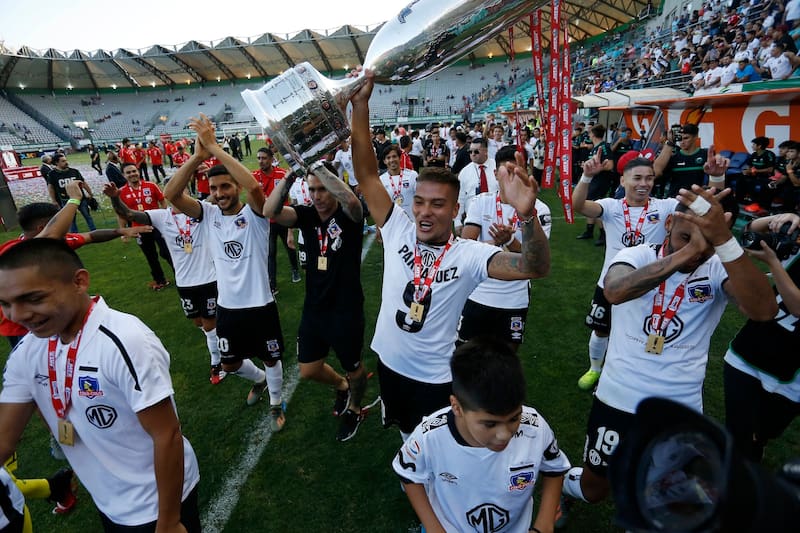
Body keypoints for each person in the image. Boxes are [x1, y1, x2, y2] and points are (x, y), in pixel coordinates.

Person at [349, 69, 550, 439]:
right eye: (420, 202)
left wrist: (526, 215)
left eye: (438, 205)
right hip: (389, 362)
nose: (425, 211)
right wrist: (360, 105)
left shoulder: (470, 255)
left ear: (456, 210)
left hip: (434, 377)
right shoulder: (397, 228)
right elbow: (366, 174)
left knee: (438, 446)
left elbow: (534, 266)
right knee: (405, 437)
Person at [558, 186, 777, 525]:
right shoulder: (637, 255)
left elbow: (763, 310)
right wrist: (683, 254)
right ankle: (566, 487)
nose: (696, 252)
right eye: (686, 237)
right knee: (595, 488)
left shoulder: (719, 267)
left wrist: (725, 244)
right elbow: (614, 291)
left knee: (664, 501)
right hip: (618, 399)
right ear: (671, 222)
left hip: (680, 407)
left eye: (705, 245)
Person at [0, 238, 201, 532]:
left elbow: (167, 434)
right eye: (5, 304)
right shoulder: (29, 350)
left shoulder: (125, 340)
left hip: (154, 501)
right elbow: (4, 440)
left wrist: (169, 521)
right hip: (108, 499)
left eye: (33, 299)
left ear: (79, 282)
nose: (17, 316)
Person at [164, 114, 287, 432]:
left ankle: (276, 403)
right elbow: (172, 195)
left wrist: (216, 149)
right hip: (228, 307)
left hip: (261, 304)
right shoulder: (207, 215)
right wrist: (197, 157)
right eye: (214, 187)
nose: (218, 193)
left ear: (235, 187)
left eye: (225, 186)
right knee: (230, 364)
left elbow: (255, 186)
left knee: (271, 357)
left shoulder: (255, 213)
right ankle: (258, 381)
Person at [392, 338, 570, 533]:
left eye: (514, 418)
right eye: (490, 424)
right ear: (457, 407)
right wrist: (434, 527)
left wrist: (543, 525)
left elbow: (554, 468)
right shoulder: (429, 436)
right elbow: (409, 475)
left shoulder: (535, 428)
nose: (504, 435)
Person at [264, 162, 367, 441]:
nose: (317, 196)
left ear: (333, 185)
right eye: (312, 189)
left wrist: (318, 167)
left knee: (354, 367)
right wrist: (289, 175)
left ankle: (355, 407)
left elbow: (352, 202)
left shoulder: (349, 215)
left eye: (322, 189)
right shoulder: (306, 215)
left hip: (346, 309)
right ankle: (341, 386)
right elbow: (269, 211)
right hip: (315, 308)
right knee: (308, 369)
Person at [572, 152, 681, 391]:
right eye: (637, 178)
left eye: (649, 178)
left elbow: (706, 209)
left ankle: (635, 373)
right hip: (610, 283)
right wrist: (586, 177)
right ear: (623, 181)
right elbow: (578, 205)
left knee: (640, 333)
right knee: (601, 331)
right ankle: (595, 369)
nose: (644, 184)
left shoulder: (665, 207)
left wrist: (717, 178)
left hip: (649, 288)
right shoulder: (612, 207)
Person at [105, 179, 224, 385]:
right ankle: (217, 337)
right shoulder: (161, 217)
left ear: (185, 192)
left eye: (182, 190)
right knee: (199, 323)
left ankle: (217, 362)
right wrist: (116, 199)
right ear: (168, 195)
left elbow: (220, 198)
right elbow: (130, 214)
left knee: (208, 324)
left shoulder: (201, 211)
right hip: (184, 282)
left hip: (208, 279)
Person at [457, 145, 552, 351]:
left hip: (513, 298)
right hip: (477, 292)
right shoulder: (481, 202)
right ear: (495, 174)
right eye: (506, 171)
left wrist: (509, 241)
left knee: (506, 358)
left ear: (526, 171)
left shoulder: (540, 209)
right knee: (465, 355)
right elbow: (466, 247)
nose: (512, 177)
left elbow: (537, 263)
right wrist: (498, 244)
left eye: (517, 171)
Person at [723, 212, 800, 463]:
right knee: (739, 433)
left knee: (759, 435)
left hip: (791, 375)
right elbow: (749, 235)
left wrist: (774, 264)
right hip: (749, 352)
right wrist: (778, 218)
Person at [116, 163, 174, 291]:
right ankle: (160, 280)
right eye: (128, 172)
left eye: (134, 171)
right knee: (150, 256)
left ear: (139, 171)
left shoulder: (151, 185)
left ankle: (180, 275)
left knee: (167, 252)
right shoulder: (121, 192)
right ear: (124, 175)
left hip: (157, 226)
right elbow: (121, 214)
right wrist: (124, 232)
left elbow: (162, 200)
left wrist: (166, 218)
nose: (132, 174)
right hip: (138, 229)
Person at [252, 147, 300, 290]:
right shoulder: (254, 176)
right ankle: (272, 283)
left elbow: (291, 198)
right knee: (270, 253)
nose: (261, 161)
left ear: (272, 159)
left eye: (264, 158)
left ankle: (295, 269)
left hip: (283, 219)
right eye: (259, 158)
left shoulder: (282, 174)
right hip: (266, 223)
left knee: (289, 246)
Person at [575, 125, 614, 246]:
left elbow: (610, 165)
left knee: (594, 205)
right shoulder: (595, 148)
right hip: (593, 181)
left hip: (600, 182)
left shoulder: (604, 147)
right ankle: (589, 230)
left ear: (592, 134)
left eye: (590, 133)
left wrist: (598, 168)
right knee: (589, 202)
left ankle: (603, 234)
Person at [653, 123, 710, 198]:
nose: (682, 142)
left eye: (686, 138)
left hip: (698, 199)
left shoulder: (705, 154)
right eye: (680, 138)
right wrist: (670, 142)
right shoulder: (673, 157)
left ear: (695, 137)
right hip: (676, 200)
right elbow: (655, 172)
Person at [455, 137, 498, 236]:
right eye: (470, 151)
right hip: (474, 217)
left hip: (496, 214)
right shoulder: (465, 172)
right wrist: (457, 222)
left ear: (485, 151)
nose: (472, 154)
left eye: (476, 151)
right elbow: (460, 198)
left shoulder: (497, 167)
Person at [45, 153, 96, 234]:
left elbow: (83, 183)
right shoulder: (52, 174)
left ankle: (94, 231)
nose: (66, 162)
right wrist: (54, 200)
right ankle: (74, 235)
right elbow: (51, 188)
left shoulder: (74, 171)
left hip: (80, 198)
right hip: (66, 200)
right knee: (70, 219)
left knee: (87, 216)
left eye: (66, 160)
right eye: (63, 161)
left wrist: (90, 193)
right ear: (56, 163)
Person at [379, 145, 418, 222]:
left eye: (394, 156)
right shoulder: (381, 180)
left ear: (400, 158)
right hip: (393, 224)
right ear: (384, 161)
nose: (392, 160)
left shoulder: (412, 175)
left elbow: (421, 198)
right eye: (388, 158)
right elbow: (380, 206)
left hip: (412, 222)